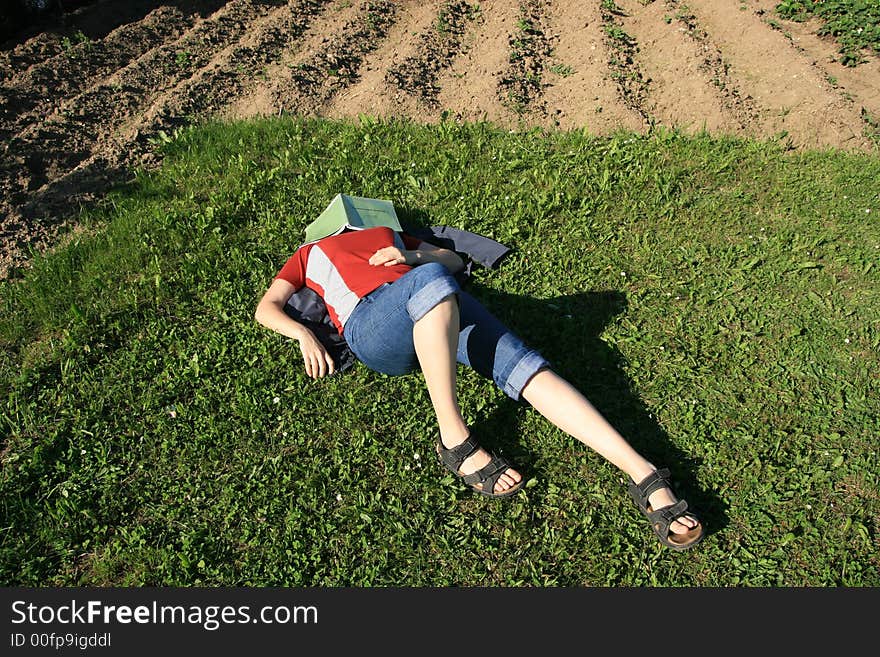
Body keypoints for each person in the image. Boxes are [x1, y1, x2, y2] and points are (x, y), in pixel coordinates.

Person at [255, 224, 704, 550]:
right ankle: (454, 436)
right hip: (372, 324)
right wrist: (304, 333)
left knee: (529, 368)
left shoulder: (386, 231)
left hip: (438, 299)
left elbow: (452, 261)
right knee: (432, 284)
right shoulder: (309, 251)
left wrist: (411, 256)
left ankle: (643, 474)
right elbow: (267, 307)